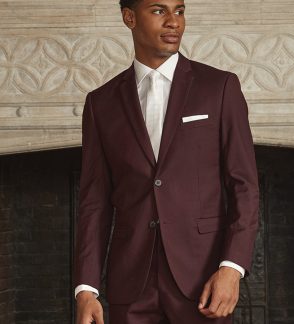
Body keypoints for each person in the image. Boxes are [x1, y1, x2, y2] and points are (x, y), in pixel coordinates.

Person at [74, 0, 259, 323]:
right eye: (159, 11)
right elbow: (94, 202)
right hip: (129, 285)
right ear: (129, 18)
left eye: (180, 10)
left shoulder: (219, 87)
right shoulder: (100, 103)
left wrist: (231, 268)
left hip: (203, 282)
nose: (174, 22)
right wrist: (86, 288)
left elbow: (244, 185)